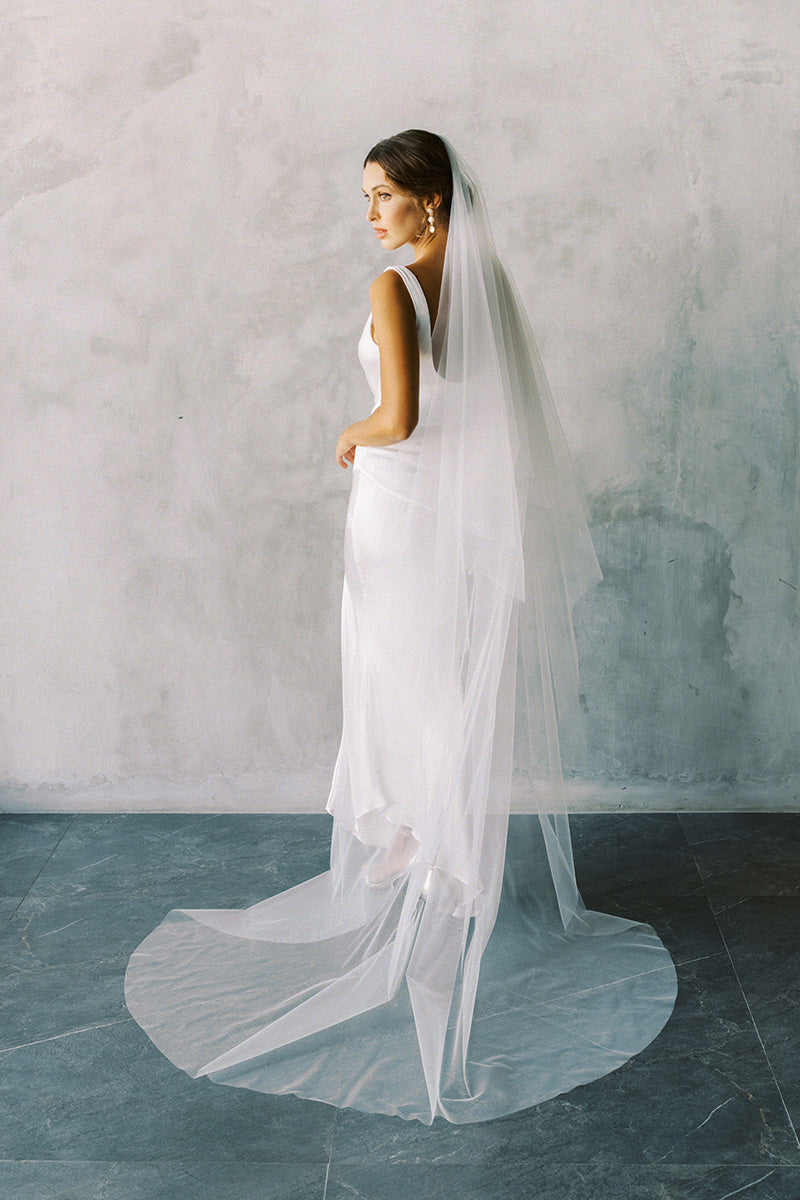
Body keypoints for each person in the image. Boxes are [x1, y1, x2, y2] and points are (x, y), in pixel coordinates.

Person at [124, 130, 678, 1125]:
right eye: (369, 197)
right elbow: (489, 415)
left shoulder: (395, 286)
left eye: (383, 195)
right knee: (436, 680)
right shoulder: (487, 284)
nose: (370, 213)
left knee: (397, 677)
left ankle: (422, 849)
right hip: (453, 529)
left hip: (395, 514)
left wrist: (348, 429)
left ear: (429, 203)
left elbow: (402, 417)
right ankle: (438, 853)